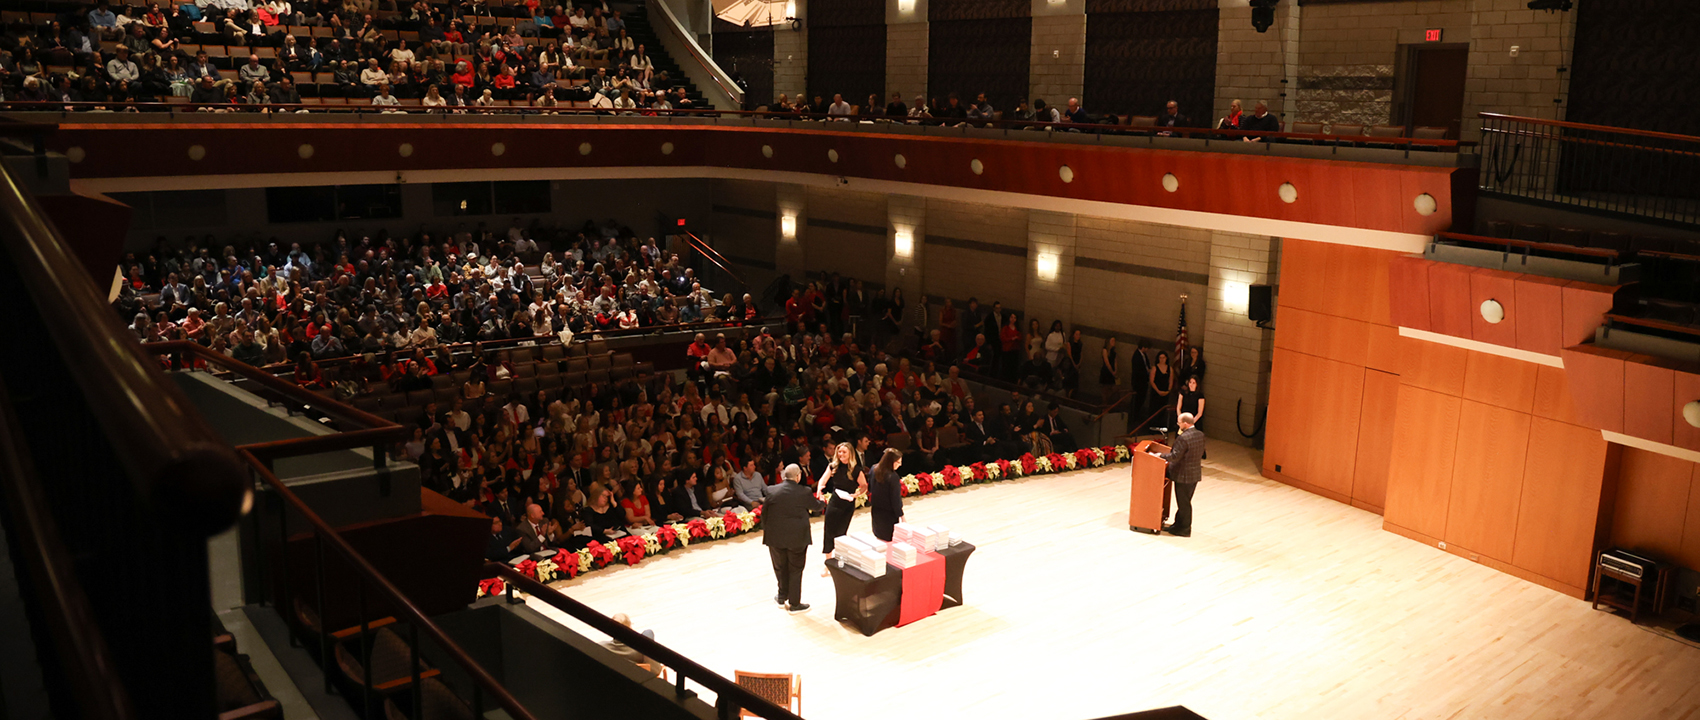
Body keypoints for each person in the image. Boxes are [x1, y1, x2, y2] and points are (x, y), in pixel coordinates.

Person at [762, 464, 822, 613]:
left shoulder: (771, 490)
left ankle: (782, 597)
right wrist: (822, 501)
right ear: (798, 476)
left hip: (775, 537)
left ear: (783, 476)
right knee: (795, 569)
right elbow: (816, 507)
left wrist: (768, 530)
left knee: (780, 567)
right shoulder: (804, 491)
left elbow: (764, 514)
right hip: (797, 537)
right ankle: (795, 604)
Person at [817, 441, 866, 574]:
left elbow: (864, 485)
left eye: (844, 452)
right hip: (835, 502)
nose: (841, 454)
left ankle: (839, 561)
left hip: (848, 503)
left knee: (841, 533)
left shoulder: (856, 469)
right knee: (829, 531)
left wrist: (857, 494)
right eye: (839, 452)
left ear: (850, 453)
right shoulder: (833, 466)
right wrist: (819, 489)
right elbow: (823, 480)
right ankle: (827, 563)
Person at [1158, 412, 1205, 537]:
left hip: (1183, 475)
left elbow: (1175, 456)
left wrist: (1159, 456)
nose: (1178, 425)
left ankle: (1184, 529)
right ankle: (1177, 525)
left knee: (1183, 503)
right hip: (1194, 473)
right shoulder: (1200, 434)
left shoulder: (1183, 438)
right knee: (1184, 501)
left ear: (1185, 423)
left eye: (1179, 422)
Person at [599, 613, 661, 677]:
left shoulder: (601, 646)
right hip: (641, 679)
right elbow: (655, 670)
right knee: (648, 633)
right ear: (630, 628)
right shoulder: (640, 650)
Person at [869, 448, 905, 542]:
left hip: (876, 510)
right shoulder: (893, 477)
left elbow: (870, 488)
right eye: (898, 462)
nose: (900, 465)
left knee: (879, 537)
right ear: (891, 461)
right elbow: (895, 499)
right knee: (889, 540)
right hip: (889, 514)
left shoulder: (873, 469)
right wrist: (901, 516)